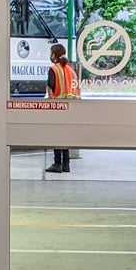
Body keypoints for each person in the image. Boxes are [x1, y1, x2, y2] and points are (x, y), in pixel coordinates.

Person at [44, 43, 79, 173]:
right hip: (71, 108)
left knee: (56, 135)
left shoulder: (54, 69)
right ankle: (66, 164)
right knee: (65, 135)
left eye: (51, 53)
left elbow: (51, 87)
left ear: (54, 55)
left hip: (57, 106)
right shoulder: (70, 70)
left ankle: (57, 163)